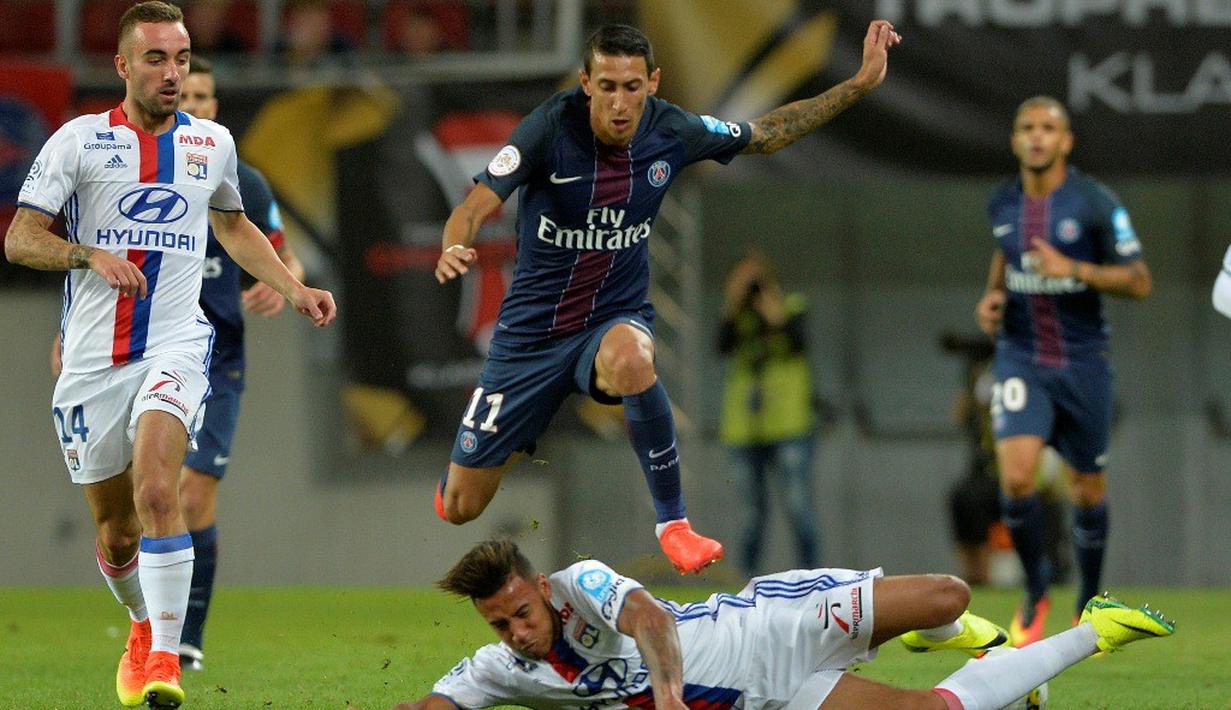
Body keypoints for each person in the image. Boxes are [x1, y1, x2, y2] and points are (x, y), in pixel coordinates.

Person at [433, 21, 901, 575]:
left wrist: (857, 84)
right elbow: (474, 205)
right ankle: (505, 442)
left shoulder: (672, 130)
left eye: (632, 86)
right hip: (529, 339)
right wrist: (454, 245)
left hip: (611, 320)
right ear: (585, 82)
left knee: (633, 358)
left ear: (653, 82)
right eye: (607, 85)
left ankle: (673, 524)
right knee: (461, 508)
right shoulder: (548, 128)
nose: (620, 101)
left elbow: (767, 132)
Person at [5, 3, 336, 707]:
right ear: (123, 65)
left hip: (177, 344)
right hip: (95, 360)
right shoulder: (79, 142)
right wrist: (86, 254)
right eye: (156, 58)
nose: (173, 73)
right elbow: (19, 239)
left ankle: (163, 659)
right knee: (117, 530)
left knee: (161, 490)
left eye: (181, 58)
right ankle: (137, 624)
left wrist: (293, 285)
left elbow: (234, 223)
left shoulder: (211, 144)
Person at [380, 539, 1173, 710]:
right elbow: (435, 709)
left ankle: (949, 634)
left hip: (772, 625)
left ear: (538, 590)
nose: (515, 632)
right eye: (499, 625)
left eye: (519, 613)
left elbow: (651, 619)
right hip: (776, 699)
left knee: (947, 597)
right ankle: (1094, 631)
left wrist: (664, 702)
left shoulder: (577, 583)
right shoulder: (505, 671)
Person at [973, 96, 1152, 646]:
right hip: (1022, 357)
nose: (1036, 137)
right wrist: (990, 300)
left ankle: (1092, 603)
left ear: (1065, 141)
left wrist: (1071, 268)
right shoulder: (1002, 203)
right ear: (1014, 139)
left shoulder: (1095, 202)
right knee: (1018, 479)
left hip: (1083, 363)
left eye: (1048, 128)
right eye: (1026, 127)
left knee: (1088, 491)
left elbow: (1140, 281)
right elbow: (1004, 258)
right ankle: (1035, 589)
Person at [718, 253, 818, 577]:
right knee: (750, 513)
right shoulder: (737, 317)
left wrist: (774, 313)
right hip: (744, 429)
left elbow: (799, 342)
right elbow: (721, 345)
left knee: (798, 506)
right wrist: (733, 302)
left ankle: (815, 578)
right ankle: (746, 583)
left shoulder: (792, 307)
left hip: (790, 424)